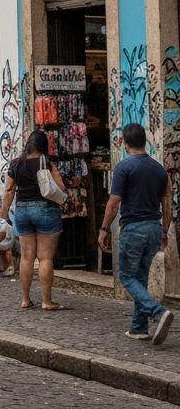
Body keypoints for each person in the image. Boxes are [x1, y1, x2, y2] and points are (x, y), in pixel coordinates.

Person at [99, 123, 174, 343]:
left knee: (126, 276)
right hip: (153, 227)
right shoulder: (160, 169)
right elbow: (167, 204)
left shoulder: (124, 167)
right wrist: (165, 231)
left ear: (124, 142)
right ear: (145, 141)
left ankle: (158, 312)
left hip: (133, 228)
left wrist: (104, 229)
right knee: (139, 277)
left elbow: (113, 203)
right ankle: (138, 327)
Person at [2, 129, 67, 310]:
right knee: (45, 258)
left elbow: (8, 190)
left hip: (22, 210)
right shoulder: (46, 162)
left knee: (26, 257)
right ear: (44, 146)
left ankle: (25, 299)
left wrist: (5, 212)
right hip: (45, 209)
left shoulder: (15, 164)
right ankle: (46, 301)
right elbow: (61, 187)